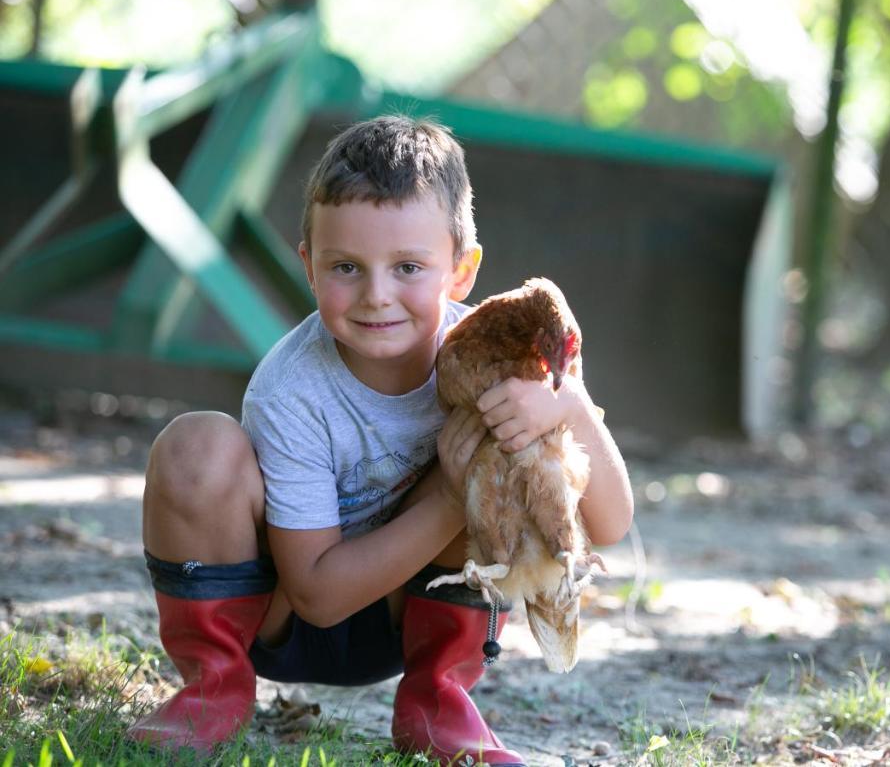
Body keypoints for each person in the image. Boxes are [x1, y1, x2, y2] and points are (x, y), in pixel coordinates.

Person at [127, 115, 634, 764]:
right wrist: (454, 496)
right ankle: (214, 689)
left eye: (408, 267)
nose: (376, 296)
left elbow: (612, 523)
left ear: (461, 269)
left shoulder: (497, 361)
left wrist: (569, 403)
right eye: (346, 267)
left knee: (502, 443)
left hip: (410, 620)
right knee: (194, 445)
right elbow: (317, 595)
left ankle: (438, 701)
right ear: (308, 266)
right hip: (282, 615)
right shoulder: (292, 391)